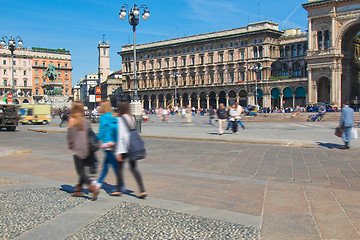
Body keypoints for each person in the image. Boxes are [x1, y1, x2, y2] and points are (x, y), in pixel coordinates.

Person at [67, 101, 100, 200]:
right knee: (83, 170)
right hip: (88, 148)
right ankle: (78, 190)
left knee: (81, 172)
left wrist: (70, 144)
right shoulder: (86, 121)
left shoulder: (72, 120)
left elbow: (70, 136)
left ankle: (92, 188)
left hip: (78, 148)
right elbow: (91, 134)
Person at [115, 101, 147, 198]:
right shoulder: (131, 117)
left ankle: (118, 189)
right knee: (134, 168)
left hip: (125, 147)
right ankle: (142, 190)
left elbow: (121, 136)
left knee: (119, 168)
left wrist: (118, 152)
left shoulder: (120, 119)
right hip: (133, 145)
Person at [94, 100, 124, 195]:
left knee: (112, 166)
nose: (99, 107)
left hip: (107, 144)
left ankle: (120, 185)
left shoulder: (103, 117)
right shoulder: (114, 116)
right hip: (114, 143)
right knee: (107, 164)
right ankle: (99, 182)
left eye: (100, 106)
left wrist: (97, 139)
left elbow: (102, 130)